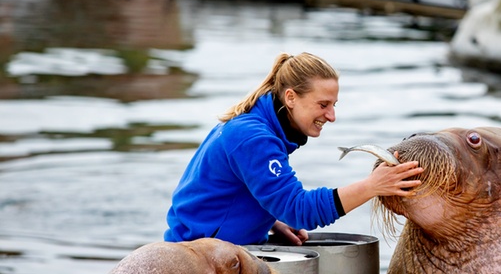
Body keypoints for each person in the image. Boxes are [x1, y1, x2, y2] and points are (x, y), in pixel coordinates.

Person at [164, 52, 423, 246]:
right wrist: (372, 186)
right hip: (198, 257)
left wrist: (270, 219)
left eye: (334, 105)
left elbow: (229, 191)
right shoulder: (253, 138)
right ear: (290, 98)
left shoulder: (251, 124)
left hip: (206, 244)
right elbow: (300, 211)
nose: (331, 116)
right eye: (323, 105)